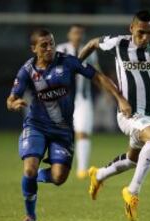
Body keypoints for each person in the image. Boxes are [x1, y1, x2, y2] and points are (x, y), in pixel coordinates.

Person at [6, 28, 131, 221]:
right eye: (43, 45)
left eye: (51, 43)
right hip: (36, 126)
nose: (49, 48)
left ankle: (31, 178)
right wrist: (13, 103)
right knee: (29, 168)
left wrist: (119, 99)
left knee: (58, 178)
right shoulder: (27, 70)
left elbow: (97, 77)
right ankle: (30, 215)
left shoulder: (68, 62)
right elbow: (11, 98)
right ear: (33, 48)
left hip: (62, 130)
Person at [79, 10, 150, 221]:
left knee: (133, 160)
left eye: (149, 33)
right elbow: (93, 43)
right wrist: (75, 65)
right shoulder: (118, 44)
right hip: (128, 113)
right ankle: (132, 191)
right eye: (140, 32)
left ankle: (99, 175)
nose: (144, 38)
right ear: (131, 28)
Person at [56, 24, 100, 179]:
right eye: (75, 32)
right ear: (69, 34)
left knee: (83, 132)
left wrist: (108, 91)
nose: (77, 35)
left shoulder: (90, 51)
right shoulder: (60, 50)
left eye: (80, 33)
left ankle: (82, 169)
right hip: (63, 98)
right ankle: (60, 163)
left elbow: (96, 73)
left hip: (83, 98)